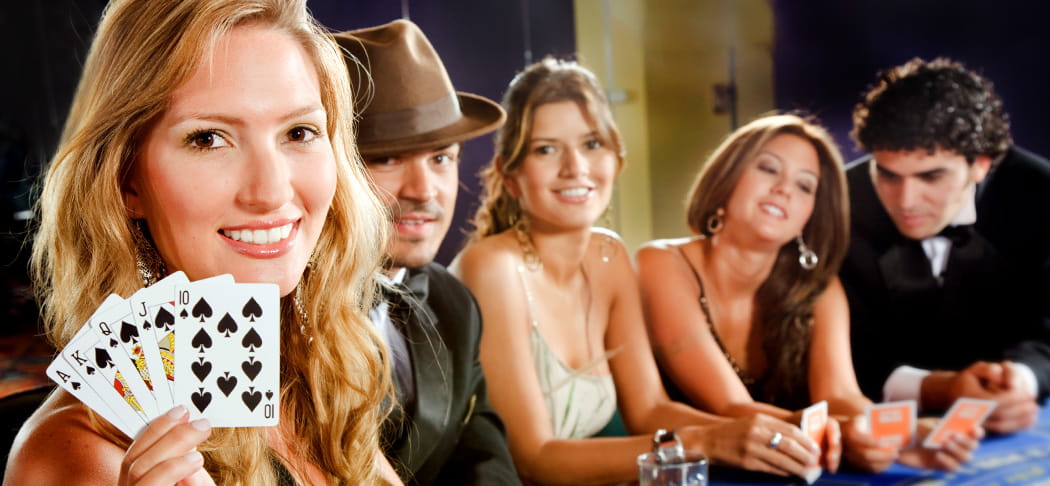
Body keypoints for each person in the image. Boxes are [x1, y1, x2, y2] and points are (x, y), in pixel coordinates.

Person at [4, 0, 401, 484]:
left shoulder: (318, 368)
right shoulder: (76, 456)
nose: (271, 191)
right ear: (128, 182)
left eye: (299, 132)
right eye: (208, 138)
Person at [452, 58, 830, 484]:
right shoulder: (491, 267)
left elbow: (648, 409)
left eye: (592, 144)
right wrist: (707, 443)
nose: (575, 167)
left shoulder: (609, 255)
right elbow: (533, 459)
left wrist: (767, 430)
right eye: (546, 149)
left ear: (617, 157)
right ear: (511, 175)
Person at [636, 113, 978, 472]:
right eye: (768, 169)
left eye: (805, 186)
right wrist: (849, 434)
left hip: (785, 470)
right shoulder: (660, 263)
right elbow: (730, 407)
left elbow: (841, 396)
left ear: (811, 214)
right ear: (727, 178)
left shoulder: (820, 286)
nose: (784, 188)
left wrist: (901, 432)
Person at [333, 20, 520, 485]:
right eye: (388, 158)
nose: (425, 190)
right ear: (330, 167)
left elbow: (481, 455)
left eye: (441, 158)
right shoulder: (271, 312)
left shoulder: (452, 302)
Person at [841, 57, 1050, 435]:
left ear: (981, 164)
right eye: (887, 174)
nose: (905, 200)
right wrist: (941, 391)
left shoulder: (1042, 196)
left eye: (931, 176)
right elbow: (846, 356)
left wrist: (1018, 381)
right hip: (884, 423)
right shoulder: (839, 203)